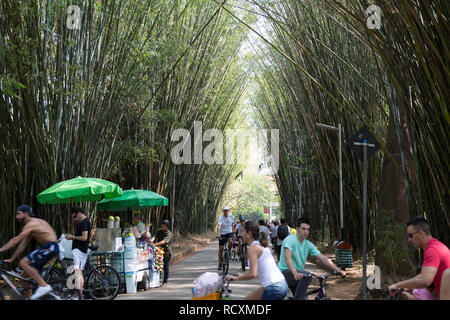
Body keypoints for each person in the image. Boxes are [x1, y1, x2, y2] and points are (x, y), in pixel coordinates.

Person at [0, 205, 61, 299]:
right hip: (48, 248)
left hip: (50, 247)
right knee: (24, 279)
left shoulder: (32, 224)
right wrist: (12, 259)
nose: (16, 217)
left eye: (18, 214)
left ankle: (44, 286)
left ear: (26, 213)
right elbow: (23, 244)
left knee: (23, 262)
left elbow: (16, 240)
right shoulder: (31, 227)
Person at [278, 218, 346, 300]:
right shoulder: (290, 240)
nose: (306, 231)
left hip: (298, 276)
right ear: (297, 229)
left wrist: (338, 270)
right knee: (307, 276)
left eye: (308, 229)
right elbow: (287, 258)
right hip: (285, 273)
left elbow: (323, 258)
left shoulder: (308, 244)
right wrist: (295, 273)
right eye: (303, 229)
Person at [388, 216, 450, 299]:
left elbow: (425, 280)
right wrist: (403, 286)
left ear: (421, 233)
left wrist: (397, 285)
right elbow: (423, 276)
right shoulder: (436, 245)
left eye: (410, 235)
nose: (409, 239)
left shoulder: (432, 250)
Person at [225, 220, 288, 300]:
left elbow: (253, 274)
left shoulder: (253, 248)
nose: (241, 234)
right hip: (280, 284)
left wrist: (234, 278)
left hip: (274, 288)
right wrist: (241, 276)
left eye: (243, 231)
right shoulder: (258, 244)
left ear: (249, 233)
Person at [65, 206, 91, 300]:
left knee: (77, 273)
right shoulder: (82, 222)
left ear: (79, 213)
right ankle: (78, 295)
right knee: (79, 273)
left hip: (79, 251)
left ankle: (78, 296)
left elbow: (84, 237)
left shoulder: (84, 222)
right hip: (80, 250)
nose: (74, 219)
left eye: (75, 216)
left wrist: (73, 237)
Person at [151, 219, 172, 286]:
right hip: (159, 251)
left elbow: (164, 241)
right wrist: (151, 241)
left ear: (167, 227)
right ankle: (157, 280)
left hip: (166, 252)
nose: (162, 227)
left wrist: (155, 244)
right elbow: (154, 236)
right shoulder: (159, 231)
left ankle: (165, 281)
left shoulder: (168, 233)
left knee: (166, 267)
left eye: (164, 226)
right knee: (158, 265)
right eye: (162, 225)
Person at [216, 206, 234, 270]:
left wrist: (233, 232)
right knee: (221, 249)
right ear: (223, 211)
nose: (226, 212)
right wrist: (218, 233)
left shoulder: (231, 216)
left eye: (227, 210)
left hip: (229, 233)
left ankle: (229, 252)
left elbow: (232, 224)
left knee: (231, 242)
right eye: (225, 211)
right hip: (222, 233)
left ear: (228, 211)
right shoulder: (221, 218)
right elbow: (219, 226)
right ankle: (220, 263)